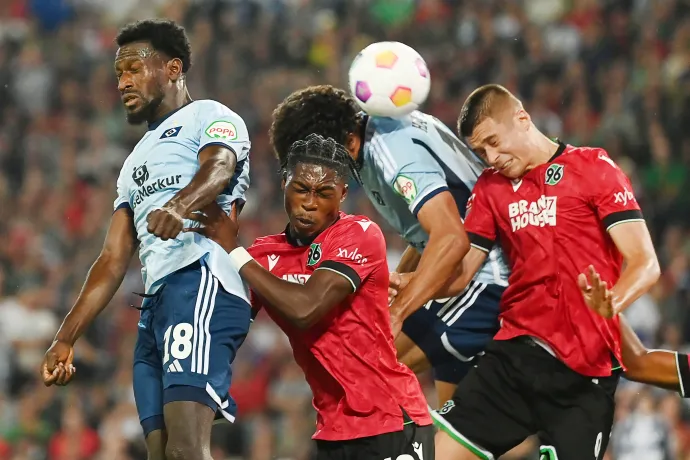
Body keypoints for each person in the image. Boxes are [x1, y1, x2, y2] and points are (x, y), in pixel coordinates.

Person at [397, 83, 661, 460]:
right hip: (512, 361)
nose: (491, 157)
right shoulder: (490, 188)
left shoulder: (593, 167)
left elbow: (645, 263)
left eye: (493, 141)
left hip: (582, 374)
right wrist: (411, 283)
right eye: (480, 151)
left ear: (522, 119)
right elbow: (462, 275)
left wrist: (613, 302)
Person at [40, 19, 252, 460]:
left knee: (186, 450)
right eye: (119, 74)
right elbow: (113, 258)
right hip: (154, 306)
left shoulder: (210, 115)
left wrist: (178, 206)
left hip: (200, 281)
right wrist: (66, 336)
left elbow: (219, 167)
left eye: (134, 69)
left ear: (173, 68)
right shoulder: (133, 160)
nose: (123, 82)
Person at [187, 134, 434, 460]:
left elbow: (307, 308)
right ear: (284, 184)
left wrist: (232, 248)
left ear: (343, 194)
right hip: (332, 429)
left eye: (324, 193)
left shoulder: (359, 234)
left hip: (391, 419)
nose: (310, 202)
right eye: (301, 189)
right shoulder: (262, 256)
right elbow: (224, 324)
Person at [269, 85, 509, 406]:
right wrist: (393, 286)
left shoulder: (390, 149)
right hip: (470, 271)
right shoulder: (372, 141)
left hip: (487, 273)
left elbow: (451, 237)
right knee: (463, 436)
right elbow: (429, 232)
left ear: (346, 141)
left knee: (364, 369)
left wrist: (398, 311)